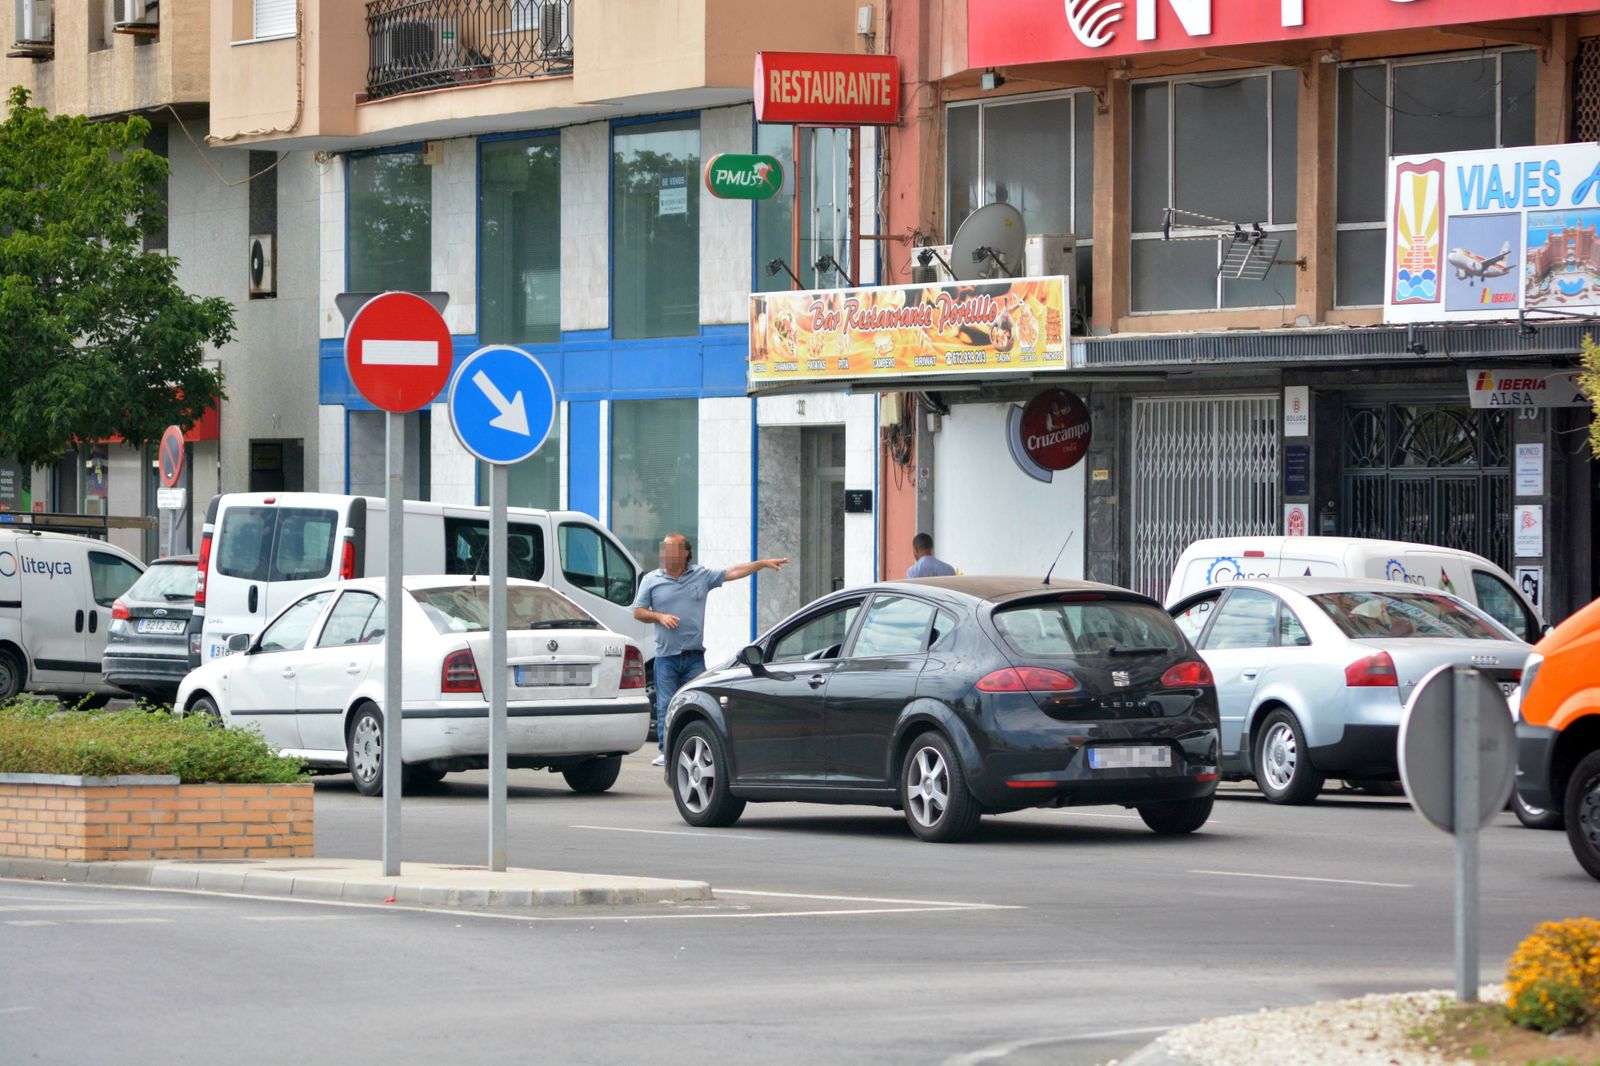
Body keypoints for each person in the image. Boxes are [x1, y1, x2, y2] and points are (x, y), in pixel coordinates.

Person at [632, 534, 788, 767]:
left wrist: (761, 564)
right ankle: (667, 753)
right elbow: (638, 611)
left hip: (694, 655)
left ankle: (700, 747)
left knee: (699, 703)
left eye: (672, 549)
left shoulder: (701, 576)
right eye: (664, 549)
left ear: (685, 553)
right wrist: (659, 616)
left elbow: (732, 572)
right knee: (665, 705)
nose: (666, 554)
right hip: (666, 656)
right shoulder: (652, 579)